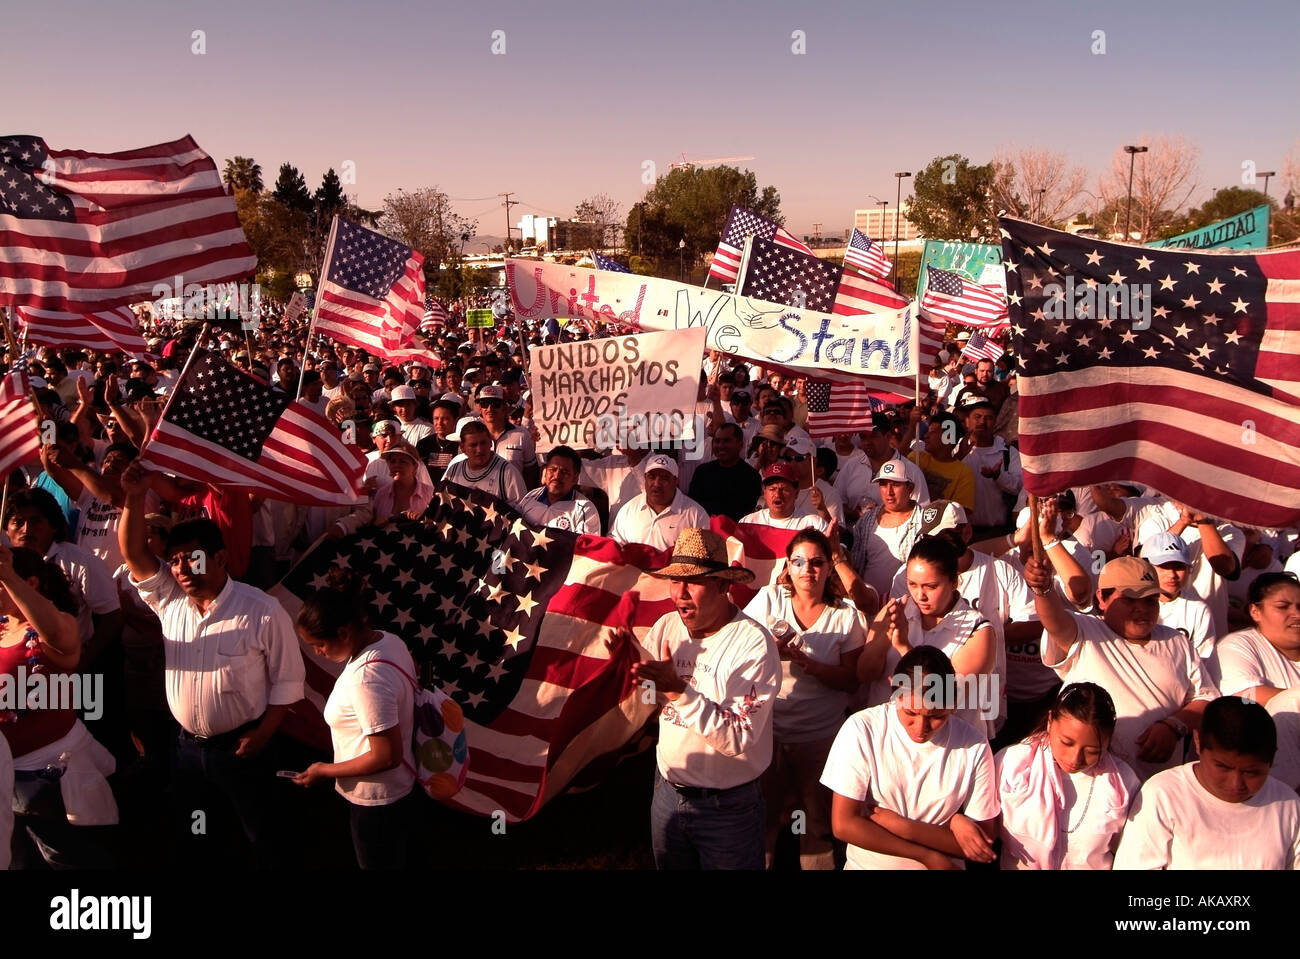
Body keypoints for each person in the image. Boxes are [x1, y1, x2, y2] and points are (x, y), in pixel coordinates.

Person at [117, 465, 306, 866]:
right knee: (199, 831)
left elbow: (288, 682)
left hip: (243, 751)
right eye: (175, 561)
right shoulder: (169, 601)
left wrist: (262, 736)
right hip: (187, 751)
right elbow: (134, 554)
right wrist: (135, 497)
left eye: (192, 559)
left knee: (261, 834)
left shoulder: (262, 611)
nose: (182, 569)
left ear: (220, 558)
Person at [609, 527, 780, 870]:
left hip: (729, 810)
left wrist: (677, 689)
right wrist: (638, 673)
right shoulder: (667, 628)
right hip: (667, 795)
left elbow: (737, 736)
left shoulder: (754, 644)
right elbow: (652, 707)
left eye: (695, 582)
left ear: (723, 585)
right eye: (676, 581)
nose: (681, 594)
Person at [1027, 553, 1216, 781]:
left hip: (1155, 788)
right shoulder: (1085, 631)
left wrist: (1173, 725)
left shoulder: (1178, 642)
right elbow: (1053, 619)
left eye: (1149, 600)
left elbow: (1206, 699)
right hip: (1087, 785)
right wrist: (1043, 589)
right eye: (1130, 599)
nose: (1142, 609)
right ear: (1102, 598)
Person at [743, 529, 866, 869]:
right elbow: (738, 647)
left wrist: (810, 666)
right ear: (788, 565)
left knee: (815, 822)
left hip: (820, 736)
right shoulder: (769, 600)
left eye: (816, 562)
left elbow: (852, 680)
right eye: (798, 562)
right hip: (769, 732)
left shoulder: (846, 615)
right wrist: (770, 649)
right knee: (763, 815)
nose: (807, 570)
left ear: (829, 567)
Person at [822, 646, 999, 870]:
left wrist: (905, 828)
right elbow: (844, 825)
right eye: (910, 713)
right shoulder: (863, 728)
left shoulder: (974, 744)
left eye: (937, 716)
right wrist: (927, 854)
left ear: (954, 703)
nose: (921, 728)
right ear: (893, 690)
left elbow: (982, 845)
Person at [293, 568, 419, 869]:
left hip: (377, 802)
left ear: (344, 632)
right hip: (402, 790)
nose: (317, 652)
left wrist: (326, 770)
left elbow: (386, 755)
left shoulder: (366, 680)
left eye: (319, 644)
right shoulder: (389, 640)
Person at [0, 544, 118, 868]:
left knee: (68, 860)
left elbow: (53, 630)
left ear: (31, 584)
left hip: (48, 779)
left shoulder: (54, 630)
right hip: (5, 779)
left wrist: (8, 575)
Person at [1115, 696, 1300, 869]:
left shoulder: (1289, 805)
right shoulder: (1163, 795)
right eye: (1223, 767)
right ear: (1198, 742)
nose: (1235, 784)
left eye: (1251, 772)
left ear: (1272, 756)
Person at [862, 536, 998, 738]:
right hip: (890, 738)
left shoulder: (978, 630)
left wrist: (903, 647)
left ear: (954, 581)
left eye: (931, 586)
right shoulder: (896, 611)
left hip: (948, 744)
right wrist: (885, 638)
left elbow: (948, 698)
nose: (920, 595)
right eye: (912, 584)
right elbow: (864, 675)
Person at [996, 683, 1140, 870]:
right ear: (1050, 721)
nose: (1075, 758)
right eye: (1066, 742)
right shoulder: (1013, 764)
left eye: (1092, 751)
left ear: (1109, 740)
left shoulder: (1123, 785)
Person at [1142, 531, 1218, 682]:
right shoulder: (1130, 602)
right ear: (1146, 567)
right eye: (1163, 566)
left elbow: (1203, 661)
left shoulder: (1198, 609)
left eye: (1178, 567)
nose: (1172, 574)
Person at [1216, 572, 1300, 705]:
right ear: (1255, 612)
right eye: (1282, 607)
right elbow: (1244, 699)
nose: (1297, 614)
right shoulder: (1235, 646)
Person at [849, 459, 926, 601]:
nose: (889, 492)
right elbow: (857, 563)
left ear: (910, 487)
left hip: (907, 604)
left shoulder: (924, 522)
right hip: (869, 604)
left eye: (896, 484)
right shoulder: (866, 520)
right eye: (883, 484)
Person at [609, 454, 709, 551]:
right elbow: (615, 543)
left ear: (675, 481)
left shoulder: (696, 515)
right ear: (645, 478)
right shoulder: (628, 510)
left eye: (664, 478)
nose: (656, 484)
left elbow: (705, 553)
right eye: (652, 477)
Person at [688, 423, 762, 522]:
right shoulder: (702, 472)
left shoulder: (751, 477)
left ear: (740, 444)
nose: (721, 446)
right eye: (717, 441)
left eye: (727, 441)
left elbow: (747, 514)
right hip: (704, 530)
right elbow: (693, 506)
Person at [443, 418, 528, 505]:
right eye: (473, 445)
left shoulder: (508, 473)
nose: (479, 450)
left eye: (483, 443)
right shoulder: (454, 471)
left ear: (490, 443)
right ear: (462, 447)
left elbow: (521, 511)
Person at [517, 446, 601, 533]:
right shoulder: (529, 499)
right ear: (545, 472)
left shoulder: (585, 510)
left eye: (564, 472)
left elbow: (586, 545)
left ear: (575, 478)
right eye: (552, 469)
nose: (557, 476)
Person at [740, 461, 830, 534]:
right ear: (765, 493)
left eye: (784, 489)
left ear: (796, 493)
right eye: (772, 489)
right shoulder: (748, 523)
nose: (777, 494)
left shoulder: (814, 525)